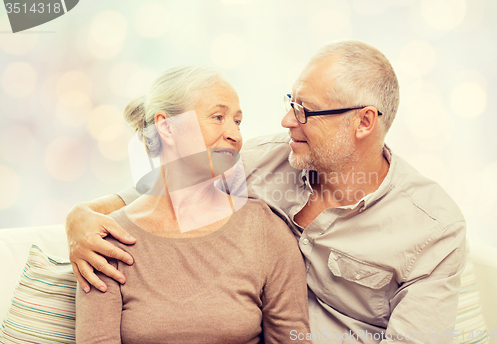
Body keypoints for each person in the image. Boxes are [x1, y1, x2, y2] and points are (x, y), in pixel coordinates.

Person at [67, 41, 466, 343]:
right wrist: (81, 217)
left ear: (363, 123)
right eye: (291, 101)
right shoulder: (264, 160)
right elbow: (167, 189)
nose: (286, 120)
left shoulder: (433, 230)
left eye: (305, 110)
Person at [74, 65, 311, 343]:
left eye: (237, 121)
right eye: (218, 117)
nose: (234, 134)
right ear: (166, 127)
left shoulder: (264, 230)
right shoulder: (106, 241)